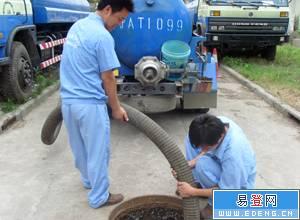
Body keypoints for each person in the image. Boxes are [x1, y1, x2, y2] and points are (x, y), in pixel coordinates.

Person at [59, 0, 134, 209]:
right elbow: (108, 77)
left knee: (79, 147)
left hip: (68, 102)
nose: (119, 24)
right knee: (98, 152)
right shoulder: (102, 36)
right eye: (120, 19)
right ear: (108, 9)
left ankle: (88, 181)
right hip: (90, 104)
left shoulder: (78, 27)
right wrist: (116, 108)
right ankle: (99, 196)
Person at [174, 114, 256, 219]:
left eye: (205, 147)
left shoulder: (234, 156)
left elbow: (227, 193)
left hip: (237, 187)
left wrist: (192, 192)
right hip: (221, 160)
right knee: (190, 141)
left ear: (221, 136)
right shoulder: (214, 124)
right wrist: (189, 165)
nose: (201, 150)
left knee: (202, 165)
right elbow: (203, 147)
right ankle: (197, 182)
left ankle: (215, 205)